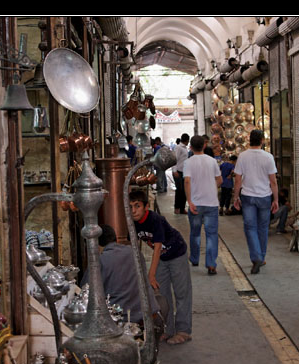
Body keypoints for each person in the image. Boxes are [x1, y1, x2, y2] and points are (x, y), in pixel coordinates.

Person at [129, 190, 193, 345]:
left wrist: (151, 274)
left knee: (181, 292)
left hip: (177, 254)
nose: (133, 210)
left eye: (137, 206)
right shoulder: (132, 223)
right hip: (163, 259)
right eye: (130, 207)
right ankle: (168, 329)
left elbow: (157, 248)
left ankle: (184, 331)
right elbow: (135, 247)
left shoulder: (155, 220)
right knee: (162, 295)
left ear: (146, 206)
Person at [80, 225, 164, 339]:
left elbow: (85, 291)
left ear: (95, 245)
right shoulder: (136, 253)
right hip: (152, 318)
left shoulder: (100, 261)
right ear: (116, 239)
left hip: (126, 325)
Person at [233, 129, 279, 274]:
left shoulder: (242, 156)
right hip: (264, 196)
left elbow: (238, 180)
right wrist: (276, 199)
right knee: (263, 228)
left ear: (249, 140)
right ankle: (261, 257)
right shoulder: (268, 157)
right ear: (262, 141)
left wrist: (236, 196)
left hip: (247, 196)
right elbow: (273, 181)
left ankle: (256, 257)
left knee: (250, 227)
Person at [183, 135, 222, 275]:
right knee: (211, 234)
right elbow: (220, 180)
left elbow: (187, 181)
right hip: (211, 202)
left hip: (196, 204)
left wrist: (189, 201)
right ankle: (211, 264)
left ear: (191, 147)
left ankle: (194, 258)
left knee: (195, 232)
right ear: (204, 146)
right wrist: (211, 187)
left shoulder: (188, 162)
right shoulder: (212, 161)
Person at [173, 133, 190, 214]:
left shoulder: (185, 148)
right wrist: (174, 170)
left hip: (184, 172)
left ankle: (182, 208)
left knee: (184, 191)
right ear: (187, 140)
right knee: (179, 191)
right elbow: (174, 159)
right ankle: (177, 208)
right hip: (178, 172)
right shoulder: (178, 148)